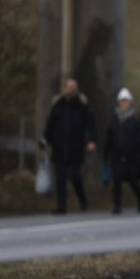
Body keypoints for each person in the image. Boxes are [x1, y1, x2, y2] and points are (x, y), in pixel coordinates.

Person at [43, 78, 98, 214]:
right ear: (65, 88)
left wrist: (92, 140)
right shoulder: (58, 105)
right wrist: (45, 141)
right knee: (60, 178)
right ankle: (62, 207)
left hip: (75, 149)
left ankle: (83, 201)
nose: (71, 89)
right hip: (59, 149)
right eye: (69, 87)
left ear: (77, 89)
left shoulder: (82, 106)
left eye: (74, 87)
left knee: (75, 176)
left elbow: (90, 125)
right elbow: (50, 125)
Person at [104, 87, 140, 214]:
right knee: (116, 181)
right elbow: (110, 136)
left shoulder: (137, 117)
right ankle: (117, 205)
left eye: (126, 101)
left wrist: (136, 148)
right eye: (122, 101)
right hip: (117, 156)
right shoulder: (115, 118)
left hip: (132, 157)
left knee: (133, 181)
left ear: (130, 102)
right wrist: (107, 153)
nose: (124, 103)